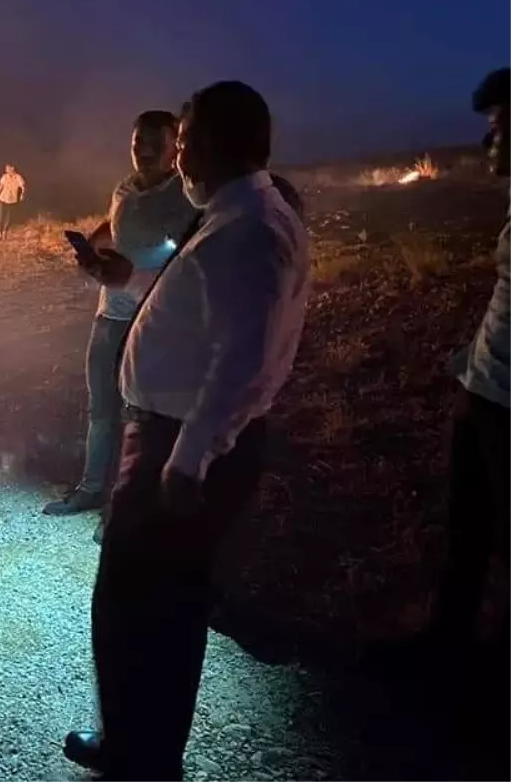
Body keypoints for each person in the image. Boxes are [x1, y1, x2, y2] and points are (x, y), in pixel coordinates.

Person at [61, 81, 311, 779]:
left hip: (181, 442)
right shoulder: (238, 212)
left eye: (187, 139)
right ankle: (146, 747)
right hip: (178, 435)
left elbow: (244, 359)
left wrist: (187, 462)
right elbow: (192, 304)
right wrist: (114, 274)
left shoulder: (250, 230)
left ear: (213, 145)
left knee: (132, 600)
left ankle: (137, 755)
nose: (177, 156)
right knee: (165, 604)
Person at [383, 68, 511, 710]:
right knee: (467, 532)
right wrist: (471, 366)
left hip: (507, 410)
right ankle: (446, 648)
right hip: (485, 392)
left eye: (500, 127)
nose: (491, 142)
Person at [44, 110, 196, 517]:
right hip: (110, 316)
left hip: (151, 322)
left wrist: (133, 274)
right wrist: (91, 250)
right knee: (101, 409)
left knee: (143, 417)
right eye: (137, 143)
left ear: (174, 149)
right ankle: (91, 490)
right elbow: (115, 225)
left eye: (154, 144)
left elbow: (187, 263)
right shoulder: (125, 189)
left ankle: (125, 506)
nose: (143, 152)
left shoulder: (184, 198)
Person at [0, 164, 26, 240]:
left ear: (12, 168)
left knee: (9, 218)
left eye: (8, 168)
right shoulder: (4, 177)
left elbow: (23, 186)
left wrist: (22, 194)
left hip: (12, 200)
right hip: (2, 199)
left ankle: (5, 232)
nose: (6, 170)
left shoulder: (18, 177)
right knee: (1, 217)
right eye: (6, 168)